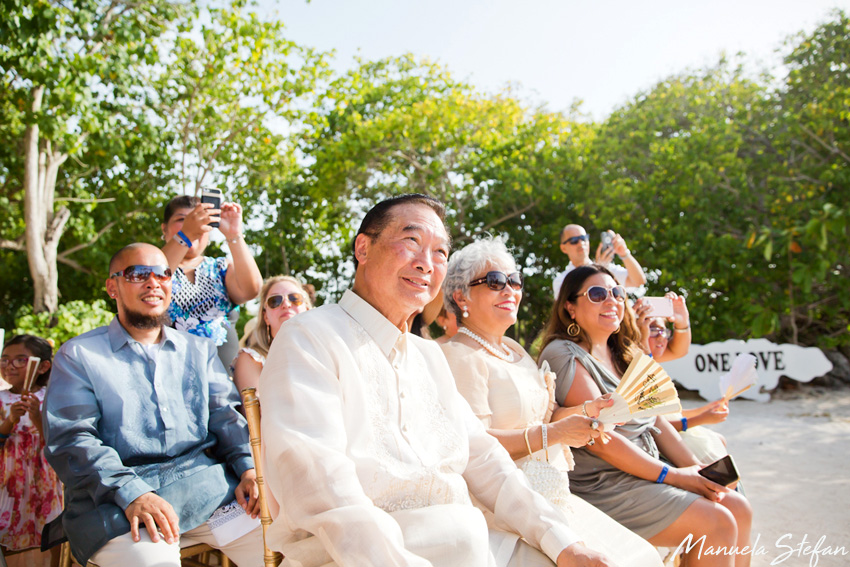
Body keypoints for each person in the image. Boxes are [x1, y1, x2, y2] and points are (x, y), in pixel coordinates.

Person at [260, 194, 616, 567]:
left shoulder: (428, 356)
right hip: (356, 556)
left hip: (474, 545)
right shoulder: (310, 337)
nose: (426, 264)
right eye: (411, 241)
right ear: (363, 248)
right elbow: (319, 485)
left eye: (441, 252)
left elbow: (485, 460)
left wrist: (563, 543)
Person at [440, 237, 662, 567]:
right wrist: (556, 435)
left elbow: (548, 414)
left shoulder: (513, 350)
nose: (509, 290)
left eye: (514, 281)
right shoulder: (459, 355)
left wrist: (589, 410)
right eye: (495, 282)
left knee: (640, 555)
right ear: (461, 296)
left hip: (554, 491)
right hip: (504, 506)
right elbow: (475, 447)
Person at [43, 243, 264, 567]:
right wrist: (132, 493)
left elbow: (224, 417)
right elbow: (73, 440)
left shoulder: (199, 351)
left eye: (163, 274)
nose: (153, 282)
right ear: (112, 287)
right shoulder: (79, 356)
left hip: (209, 495)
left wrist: (247, 468)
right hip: (117, 505)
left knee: (290, 544)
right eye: (137, 274)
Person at [538, 265, 752, 567]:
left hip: (647, 470)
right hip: (606, 482)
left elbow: (656, 421)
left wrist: (693, 467)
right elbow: (601, 440)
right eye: (597, 294)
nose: (611, 300)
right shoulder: (564, 353)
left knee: (738, 508)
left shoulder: (623, 352)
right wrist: (676, 476)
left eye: (617, 293)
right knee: (718, 521)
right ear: (570, 308)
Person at [160, 195, 263, 367]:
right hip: (170, 374)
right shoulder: (150, 264)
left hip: (223, 382)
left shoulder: (221, 267)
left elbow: (251, 290)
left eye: (200, 220)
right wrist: (185, 235)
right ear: (164, 229)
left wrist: (233, 234)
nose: (193, 225)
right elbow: (153, 278)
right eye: (181, 220)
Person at [1, 335, 63, 566]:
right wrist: (9, 421)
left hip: (43, 479)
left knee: (49, 530)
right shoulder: (1, 399)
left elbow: (56, 443)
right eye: (5, 359)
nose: (9, 365)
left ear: (43, 366)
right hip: (7, 481)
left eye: (20, 360)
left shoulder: (52, 398)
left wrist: (36, 416)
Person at [645, 317, 730, 465]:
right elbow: (655, 425)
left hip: (679, 435)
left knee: (719, 440)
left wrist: (706, 409)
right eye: (653, 329)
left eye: (664, 330)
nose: (661, 336)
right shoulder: (639, 373)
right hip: (669, 441)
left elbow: (672, 414)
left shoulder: (654, 368)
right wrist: (702, 418)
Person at [231, 275, 312, 394]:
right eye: (275, 301)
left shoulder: (325, 351)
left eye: (295, 298)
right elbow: (255, 411)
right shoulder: (251, 359)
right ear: (265, 317)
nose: (286, 304)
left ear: (307, 308)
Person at [552, 225, 645, 297]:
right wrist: (599, 272)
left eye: (584, 238)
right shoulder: (561, 280)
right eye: (574, 240)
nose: (581, 243)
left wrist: (624, 254)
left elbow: (638, 281)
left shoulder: (606, 268)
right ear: (563, 248)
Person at [633, 293, 691, 363]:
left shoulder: (652, 357)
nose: (661, 337)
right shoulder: (620, 357)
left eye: (663, 331)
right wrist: (642, 340)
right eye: (654, 331)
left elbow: (679, 351)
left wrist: (682, 322)